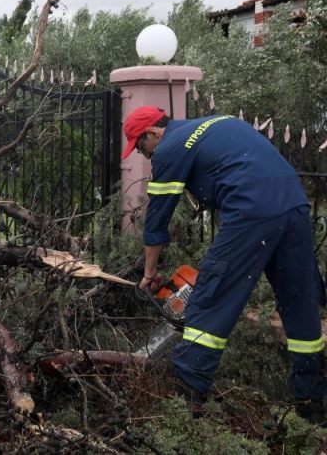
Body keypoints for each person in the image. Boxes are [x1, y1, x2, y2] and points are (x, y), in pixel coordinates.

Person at [123, 105, 327, 423]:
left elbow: (157, 221)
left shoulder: (170, 148)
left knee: (211, 297)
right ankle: (311, 402)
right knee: (300, 302)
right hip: (295, 205)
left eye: (140, 147)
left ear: (153, 133)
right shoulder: (218, 122)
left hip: (251, 210)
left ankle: (185, 401)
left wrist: (149, 274)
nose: (143, 156)